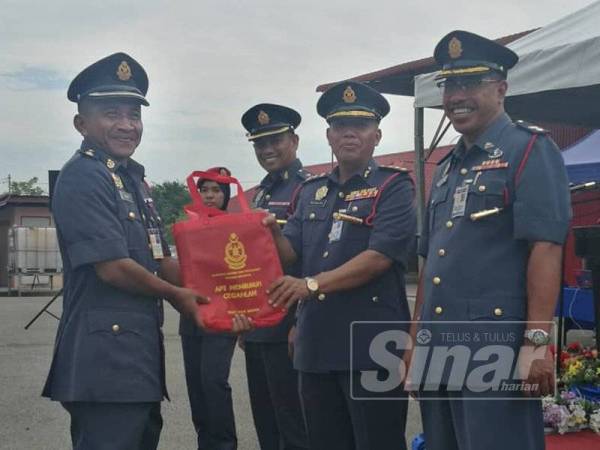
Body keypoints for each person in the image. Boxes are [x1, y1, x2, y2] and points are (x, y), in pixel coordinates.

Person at [42, 53, 251, 450]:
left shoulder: (133, 180)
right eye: (111, 113)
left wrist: (228, 297)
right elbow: (113, 267)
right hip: (104, 361)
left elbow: (159, 259)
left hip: (135, 360)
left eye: (134, 114)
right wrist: (179, 297)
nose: (126, 124)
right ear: (81, 123)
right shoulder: (84, 176)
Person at [408, 30, 571, 450]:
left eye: (470, 83)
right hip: (440, 346)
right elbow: (429, 262)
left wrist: (537, 343)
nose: (456, 95)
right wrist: (414, 341)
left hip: (495, 347)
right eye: (449, 85)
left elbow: (546, 246)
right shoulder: (445, 167)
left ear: (501, 88)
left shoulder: (528, 149)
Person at [264, 82, 416, 450]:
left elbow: (379, 258)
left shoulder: (394, 186)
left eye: (360, 125)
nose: (349, 132)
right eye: (340, 125)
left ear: (376, 136)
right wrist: (269, 233)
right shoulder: (312, 191)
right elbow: (292, 257)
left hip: (370, 345)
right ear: (329, 135)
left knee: (376, 442)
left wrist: (311, 286)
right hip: (316, 344)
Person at [240, 104, 309, 450]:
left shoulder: (309, 190)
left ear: (294, 141)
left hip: (288, 326)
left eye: (275, 140)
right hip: (259, 327)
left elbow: (310, 260)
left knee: (294, 424)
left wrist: (301, 322)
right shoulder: (261, 193)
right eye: (259, 143)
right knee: (266, 421)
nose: (267, 149)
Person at [179, 167, 239, 450]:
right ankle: (205, 443)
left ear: (226, 196)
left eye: (217, 191)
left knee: (213, 381)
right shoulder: (187, 226)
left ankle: (225, 444)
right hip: (192, 315)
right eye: (205, 190)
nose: (210, 196)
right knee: (196, 386)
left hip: (222, 314)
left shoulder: (237, 227)